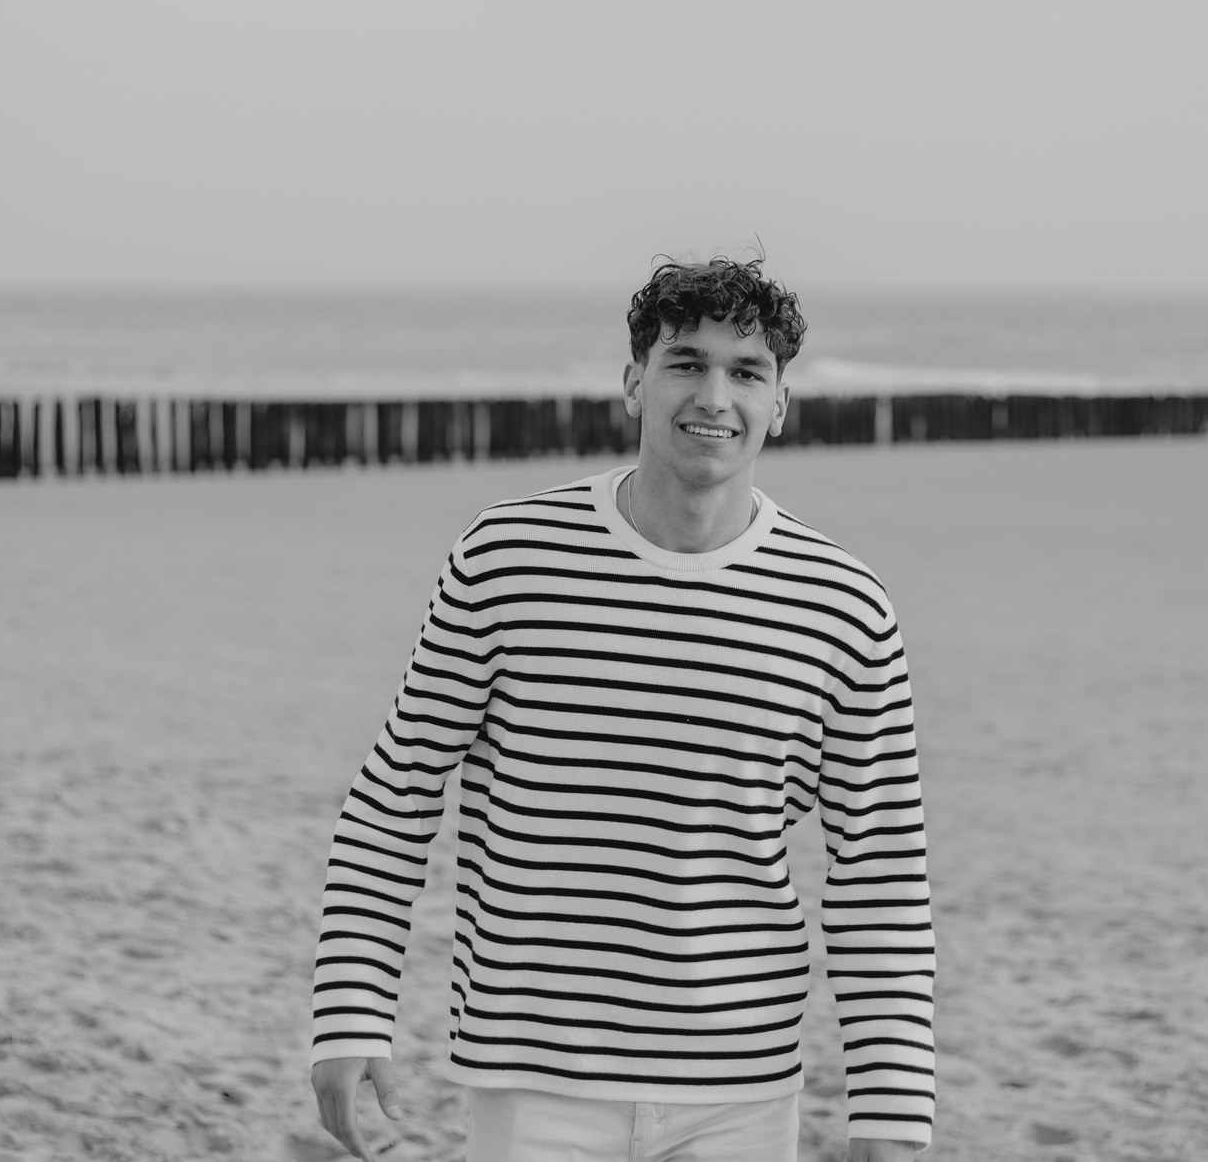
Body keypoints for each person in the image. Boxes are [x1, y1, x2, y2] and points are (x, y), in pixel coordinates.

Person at [308, 257, 934, 1161]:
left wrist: (893, 1111)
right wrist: (350, 1011)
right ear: (635, 382)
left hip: (740, 1092)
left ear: (781, 402)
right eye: (686, 362)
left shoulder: (844, 604)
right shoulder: (508, 558)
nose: (714, 395)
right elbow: (396, 789)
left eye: (747, 371)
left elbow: (881, 873)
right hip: (535, 1081)